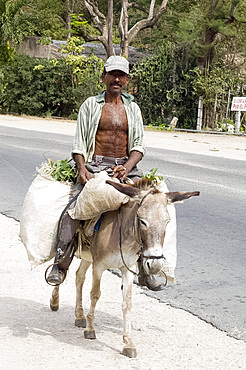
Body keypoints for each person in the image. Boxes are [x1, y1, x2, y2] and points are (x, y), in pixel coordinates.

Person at [46, 55, 168, 290]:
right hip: (95, 166)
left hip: (126, 167)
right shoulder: (91, 105)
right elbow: (79, 144)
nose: (116, 79)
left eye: (121, 75)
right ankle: (60, 265)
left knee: (155, 206)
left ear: (127, 80)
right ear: (103, 77)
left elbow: (138, 146)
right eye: (112, 74)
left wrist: (128, 167)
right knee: (75, 209)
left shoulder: (132, 108)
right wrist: (82, 168)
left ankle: (147, 268)